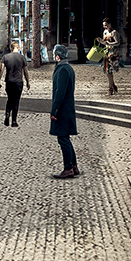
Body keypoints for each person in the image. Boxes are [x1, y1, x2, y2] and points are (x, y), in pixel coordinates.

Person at [49, 44, 81, 179]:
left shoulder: (62, 70)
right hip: (67, 109)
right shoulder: (68, 68)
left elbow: (59, 93)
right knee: (65, 138)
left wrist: (54, 111)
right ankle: (73, 166)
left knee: (63, 139)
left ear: (57, 56)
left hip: (62, 110)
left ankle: (68, 168)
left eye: (53, 54)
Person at [0, 41, 29, 127]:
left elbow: (1, 70)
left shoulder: (5, 57)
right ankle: (14, 120)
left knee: (9, 99)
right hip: (18, 81)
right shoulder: (22, 58)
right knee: (16, 101)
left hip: (9, 81)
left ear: (11, 48)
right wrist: (28, 82)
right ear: (18, 48)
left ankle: (7, 115)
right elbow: (25, 71)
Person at [97, 19, 121, 96]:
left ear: (110, 24)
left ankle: (110, 89)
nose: (105, 27)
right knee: (107, 71)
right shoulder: (105, 32)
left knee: (109, 71)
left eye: (106, 25)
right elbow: (105, 43)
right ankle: (113, 86)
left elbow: (117, 43)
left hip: (113, 53)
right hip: (107, 52)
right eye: (104, 25)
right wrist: (100, 41)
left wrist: (110, 43)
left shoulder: (114, 33)